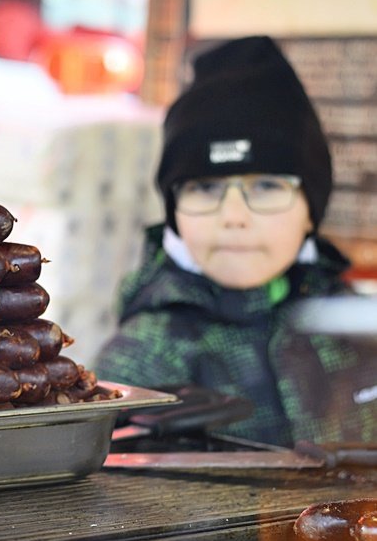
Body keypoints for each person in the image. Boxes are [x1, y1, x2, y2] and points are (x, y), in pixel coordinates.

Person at [93, 36, 376, 446]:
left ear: (311, 207)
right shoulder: (141, 359)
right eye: (205, 188)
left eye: (265, 186)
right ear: (174, 210)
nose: (234, 217)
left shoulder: (357, 329)